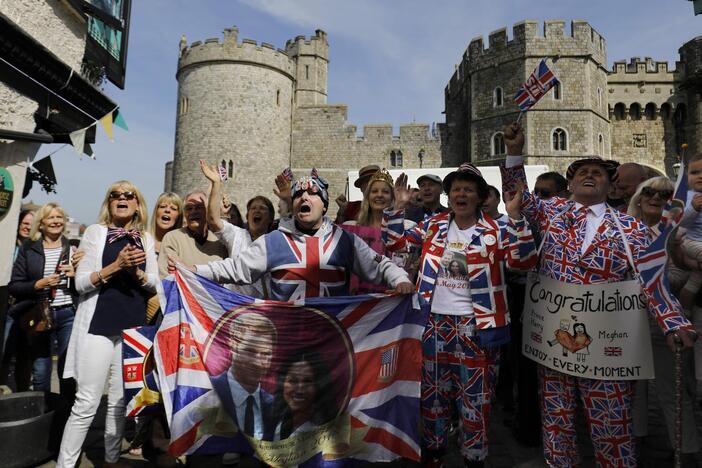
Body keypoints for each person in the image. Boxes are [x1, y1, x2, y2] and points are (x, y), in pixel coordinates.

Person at [500, 122, 696, 468]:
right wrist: (514, 152)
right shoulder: (551, 212)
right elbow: (515, 195)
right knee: (557, 426)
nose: (590, 176)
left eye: (599, 173)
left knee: (612, 430)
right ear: (571, 183)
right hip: (554, 343)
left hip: (608, 348)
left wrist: (673, 323)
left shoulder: (632, 228)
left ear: (610, 184)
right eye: (582, 172)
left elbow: (652, 281)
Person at [384, 163, 537, 468]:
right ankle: (434, 451)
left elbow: (525, 262)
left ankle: (474, 457)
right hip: (433, 323)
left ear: (480, 197)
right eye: (456, 189)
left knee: (476, 400)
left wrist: (517, 216)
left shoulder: (498, 229)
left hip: (477, 327)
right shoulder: (433, 225)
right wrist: (395, 210)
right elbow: (396, 248)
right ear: (448, 195)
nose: (461, 194)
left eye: (468, 189)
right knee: (433, 395)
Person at [174, 171, 413, 301]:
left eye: (313, 194)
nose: (304, 198)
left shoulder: (343, 240)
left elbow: (380, 266)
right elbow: (235, 269)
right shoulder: (275, 240)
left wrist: (400, 280)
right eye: (299, 194)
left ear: (323, 204)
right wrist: (194, 271)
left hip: (332, 337)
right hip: (286, 339)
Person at [57, 181, 159, 468]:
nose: (122, 198)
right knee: (87, 402)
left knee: (117, 402)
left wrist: (136, 272)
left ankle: (112, 459)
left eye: (129, 195)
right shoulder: (96, 232)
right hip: (98, 326)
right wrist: (116, 265)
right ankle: (66, 464)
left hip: (131, 328)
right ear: (109, 202)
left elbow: (154, 284)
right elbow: (80, 282)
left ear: (137, 204)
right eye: (116, 195)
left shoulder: (146, 239)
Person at [628, 176, 700, 464]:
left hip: (665, 320)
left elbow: (690, 267)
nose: (656, 198)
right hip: (626, 318)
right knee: (632, 387)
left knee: (672, 389)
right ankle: (636, 438)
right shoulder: (623, 229)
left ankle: (687, 450)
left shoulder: (677, 233)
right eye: (649, 192)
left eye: (665, 194)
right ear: (639, 196)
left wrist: (666, 279)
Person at [8, 203, 78, 398]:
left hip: (67, 313)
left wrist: (75, 274)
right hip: (39, 313)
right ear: (41, 223)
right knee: (41, 369)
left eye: (59, 217)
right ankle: (41, 414)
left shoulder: (73, 248)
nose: (56, 221)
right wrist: (38, 284)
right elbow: (15, 285)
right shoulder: (29, 250)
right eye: (51, 217)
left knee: (67, 368)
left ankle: (65, 415)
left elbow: (86, 284)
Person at [201, 160, 273, 298]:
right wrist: (216, 184)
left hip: (264, 309)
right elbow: (213, 220)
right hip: (235, 305)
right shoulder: (237, 235)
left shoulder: (277, 240)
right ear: (247, 215)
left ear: (270, 218)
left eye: (262, 208)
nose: (257, 210)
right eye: (253, 208)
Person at [342, 169, 417, 291]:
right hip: (357, 299)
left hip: (394, 296)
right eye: (374, 191)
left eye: (385, 192)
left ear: (392, 197)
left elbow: (409, 265)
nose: (379, 195)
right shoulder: (351, 228)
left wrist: (399, 207)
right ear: (367, 197)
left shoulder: (408, 228)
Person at [210, 312, 277, 441]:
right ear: (233, 344)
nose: (258, 363)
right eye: (250, 351)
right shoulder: (207, 392)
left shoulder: (277, 406)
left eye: (265, 354)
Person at [158, 190, 228, 279]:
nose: (193, 211)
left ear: (208, 210)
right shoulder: (173, 238)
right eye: (189, 208)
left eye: (199, 207)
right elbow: (167, 278)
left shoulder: (220, 241)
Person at [1, 209, 34, 388]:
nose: (27, 227)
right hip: (8, 304)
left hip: (27, 306)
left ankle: (21, 389)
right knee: (5, 350)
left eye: (31, 224)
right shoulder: (8, 245)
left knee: (25, 353)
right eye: (24, 223)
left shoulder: (35, 248)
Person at [273, 350, 337, 440]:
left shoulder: (330, 434)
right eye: (293, 381)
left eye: (307, 381)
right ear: (282, 384)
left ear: (318, 387)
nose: (299, 390)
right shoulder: (268, 425)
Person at [678, 153, 702, 310]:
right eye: (695, 173)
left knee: (695, 282)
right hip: (692, 241)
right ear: (687, 177)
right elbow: (681, 222)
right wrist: (693, 208)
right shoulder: (687, 197)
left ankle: (684, 310)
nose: (700, 176)